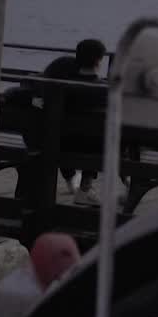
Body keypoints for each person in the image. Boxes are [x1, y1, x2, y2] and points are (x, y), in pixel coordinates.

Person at [39, 38, 110, 205]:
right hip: (91, 149)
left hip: (58, 142)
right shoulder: (104, 91)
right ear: (99, 61)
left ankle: (74, 182)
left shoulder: (61, 87)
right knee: (100, 137)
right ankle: (85, 189)